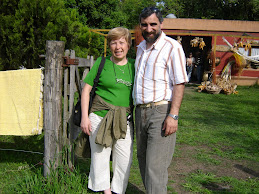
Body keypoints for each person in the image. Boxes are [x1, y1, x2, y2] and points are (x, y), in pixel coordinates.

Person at [133, 7, 188, 194]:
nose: (149, 29)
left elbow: (179, 83)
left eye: (153, 24)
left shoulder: (172, 47)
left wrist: (173, 115)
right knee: (143, 160)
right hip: (140, 111)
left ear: (161, 24)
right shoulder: (140, 48)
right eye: (145, 25)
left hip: (160, 112)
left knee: (155, 167)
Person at [80, 27, 135, 194]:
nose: (118, 47)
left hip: (124, 119)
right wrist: (84, 117)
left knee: (124, 159)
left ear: (128, 44)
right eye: (113, 42)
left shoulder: (135, 65)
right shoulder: (102, 62)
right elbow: (86, 90)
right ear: (109, 45)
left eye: (121, 42)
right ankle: (105, 190)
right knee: (100, 156)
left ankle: (118, 190)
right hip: (99, 116)